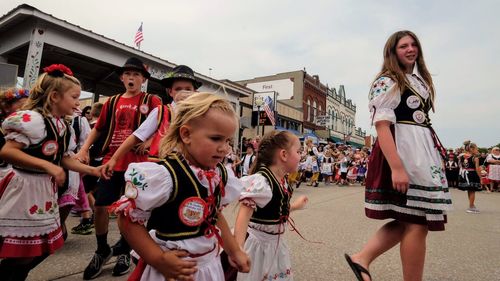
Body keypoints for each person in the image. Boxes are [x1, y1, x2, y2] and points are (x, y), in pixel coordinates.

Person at [345, 31, 452, 281]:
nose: (410, 48)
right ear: (393, 52)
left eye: (414, 44)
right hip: (403, 154)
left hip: (421, 155)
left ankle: (362, 258)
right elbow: (382, 127)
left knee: (412, 220)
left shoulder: (420, 82)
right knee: (417, 222)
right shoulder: (387, 80)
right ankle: (366, 260)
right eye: (403, 45)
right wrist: (397, 167)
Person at [108, 93, 250, 280]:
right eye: (216, 139)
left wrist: (234, 251)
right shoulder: (166, 176)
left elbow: (214, 214)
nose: (224, 148)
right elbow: (127, 221)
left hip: (209, 265)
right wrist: (158, 259)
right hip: (173, 270)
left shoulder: (218, 174)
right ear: (186, 134)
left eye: (227, 141)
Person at [0, 64, 102, 281]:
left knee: (47, 242)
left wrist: (92, 169)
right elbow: (8, 152)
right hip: (23, 189)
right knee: (22, 249)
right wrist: (48, 167)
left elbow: (62, 158)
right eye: (74, 97)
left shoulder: (61, 126)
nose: (77, 102)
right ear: (55, 96)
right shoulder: (34, 121)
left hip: (42, 191)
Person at [76, 57, 162, 279]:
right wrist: (84, 149)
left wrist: (149, 142)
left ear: (143, 79)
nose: (131, 78)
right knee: (101, 205)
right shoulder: (112, 102)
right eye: (128, 74)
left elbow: (162, 122)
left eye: (136, 74)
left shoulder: (151, 100)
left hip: (139, 165)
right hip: (112, 160)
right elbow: (98, 129)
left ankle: (124, 249)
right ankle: (102, 249)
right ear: (122, 78)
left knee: (132, 209)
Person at [233, 130, 308, 281]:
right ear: (284, 155)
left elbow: (275, 209)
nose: (302, 156)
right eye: (299, 152)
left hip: (276, 244)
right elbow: (244, 216)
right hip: (258, 246)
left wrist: (294, 206)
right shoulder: (263, 181)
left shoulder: (282, 179)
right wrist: (238, 250)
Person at [102, 65, 202, 168]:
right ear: (171, 92)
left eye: (188, 89)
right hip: (164, 169)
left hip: (193, 170)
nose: (183, 93)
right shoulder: (161, 112)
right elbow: (136, 137)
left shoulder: (202, 115)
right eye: (178, 89)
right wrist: (114, 159)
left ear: (195, 92)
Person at [457, 140, 482, 213]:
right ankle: (471, 207)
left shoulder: (461, 156)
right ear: (472, 149)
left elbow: (460, 166)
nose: (477, 150)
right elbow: (477, 169)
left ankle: (472, 205)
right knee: (472, 191)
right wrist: (481, 178)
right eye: (476, 148)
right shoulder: (475, 158)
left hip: (464, 174)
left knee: (469, 190)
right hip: (472, 174)